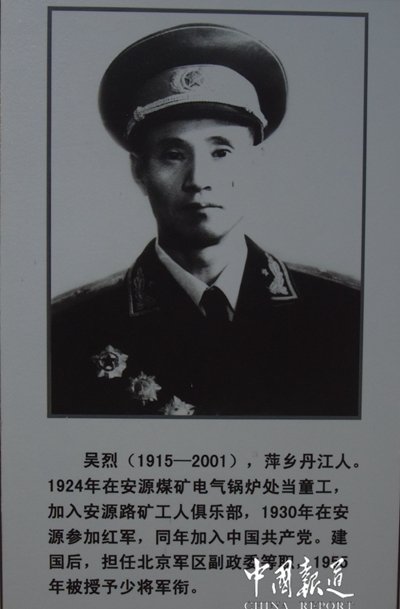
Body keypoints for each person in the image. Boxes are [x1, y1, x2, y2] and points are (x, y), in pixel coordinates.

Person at [51, 23, 361, 417]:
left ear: (256, 163)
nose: (198, 181)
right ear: (139, 171)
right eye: (173, 155)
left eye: (221, 152)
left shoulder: (345, 314)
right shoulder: (69, 328)